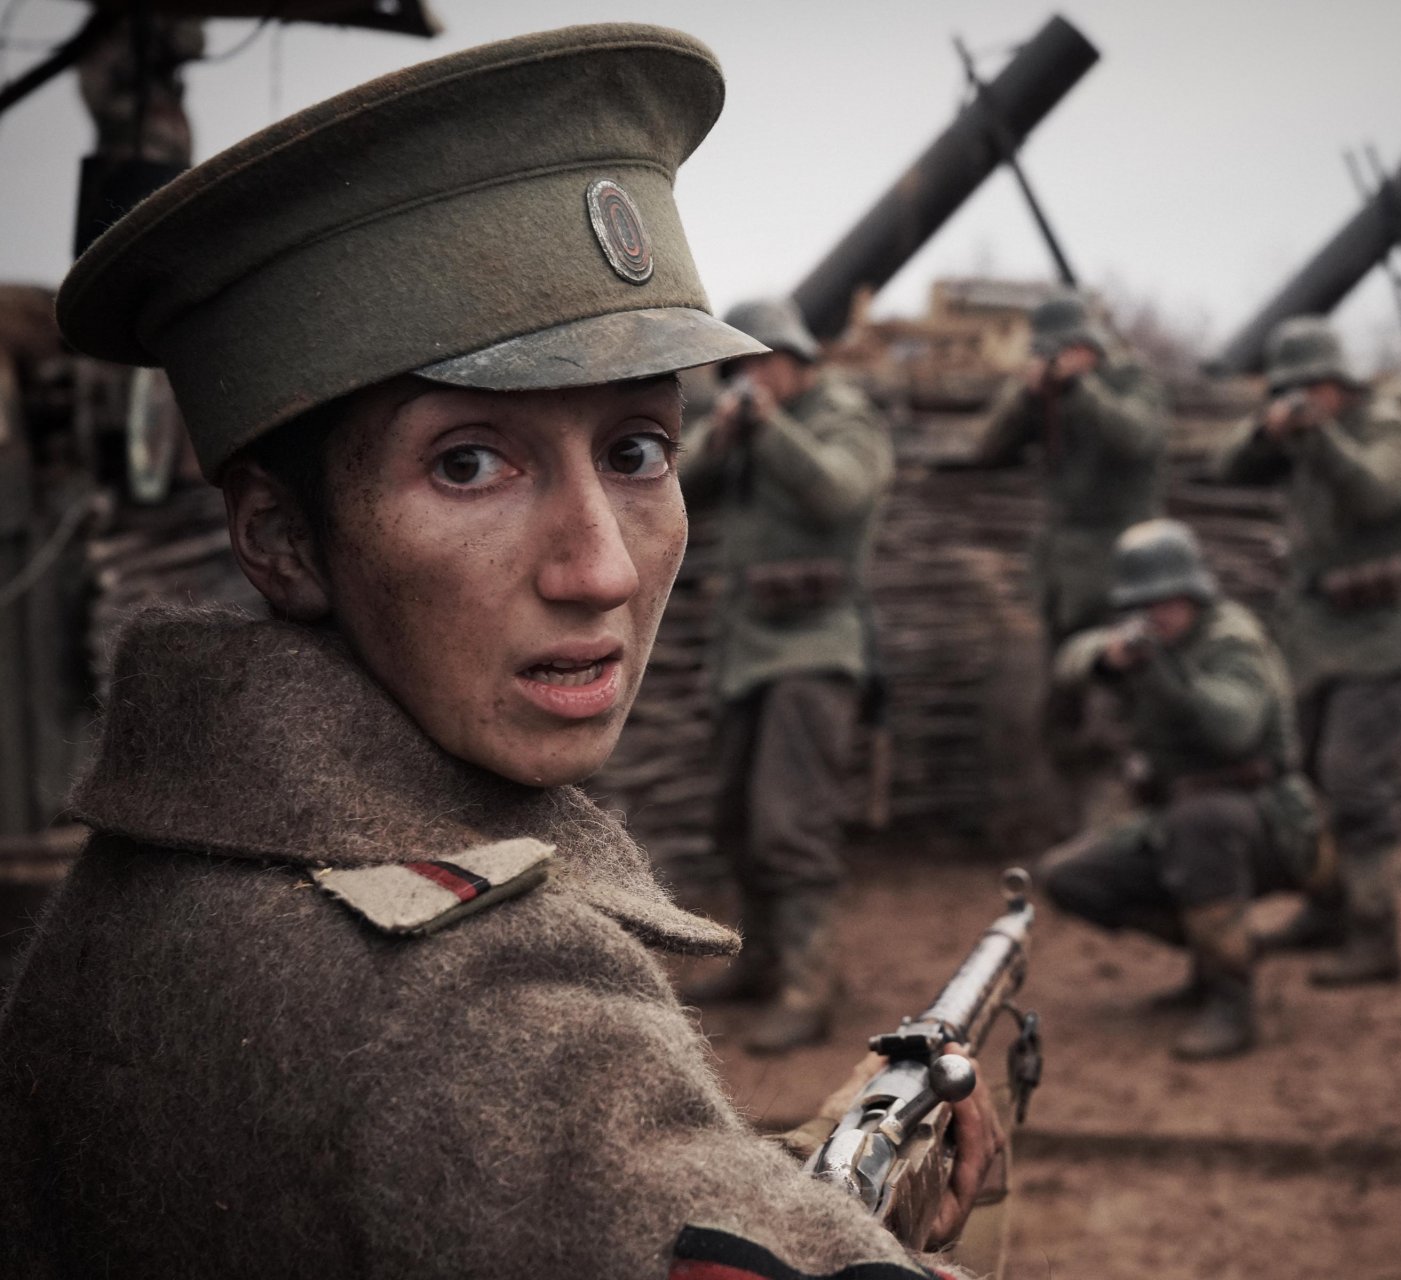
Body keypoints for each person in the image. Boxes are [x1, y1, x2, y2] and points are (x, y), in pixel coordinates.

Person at [0, 27, 1000, 1278]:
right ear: (280, 536)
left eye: (639, 450)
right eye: (470, 461)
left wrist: (789, 1198)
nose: (603, 568)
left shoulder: (131, 897)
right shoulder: (479, 996)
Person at [675, 297, 892, 1054]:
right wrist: (724, 433)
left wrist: (768, 428)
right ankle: (763, 961)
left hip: (815, 649)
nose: (753, 378)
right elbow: (674, 488)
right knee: (736, 818)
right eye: (741, 366)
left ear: (801, 361)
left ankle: (810, 984)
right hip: (744, 649)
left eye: (766, 362)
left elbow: (841, 492)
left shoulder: (842, 415)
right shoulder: (743, 426)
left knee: (791, 823)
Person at [1036, 520, 1319, 1060]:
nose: (1156, 614)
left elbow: (1232, 730)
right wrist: (1108, 656)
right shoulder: (1146, 639)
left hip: (1271, 821)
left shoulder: (1231, 637)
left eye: (1166, 601)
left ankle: (1231, 1001)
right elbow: (1072, 660)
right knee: (1071, 877)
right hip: (1180, 816)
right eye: (1143, 603)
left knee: (1202, 824)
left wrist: (1160, 670)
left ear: (1193, 592)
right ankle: (1213, 957)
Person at [1215, 316, 1401, 986]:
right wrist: (1266, 433)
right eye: (1291, 391)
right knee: (1303, 776)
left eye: (1313, 389)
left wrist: (1321, 439)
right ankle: (1326, 907)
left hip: (1378, 635)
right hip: (1311, 640)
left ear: (1339, 384)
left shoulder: (1386, 426)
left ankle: (1376, 930)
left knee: (1355, 779)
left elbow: (1378, 493)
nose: (1304, 401)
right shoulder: (1299, 437)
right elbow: (1227, 468)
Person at [961, 292, 1168, 647]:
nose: (1056, 360)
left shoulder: (1129, 378)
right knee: (1063, 677)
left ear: (1090, 344)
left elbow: (1136, 438)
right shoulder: (1045, 393)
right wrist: (1026, 398)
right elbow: (987, 450)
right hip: (1061, 567)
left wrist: (1081, 389)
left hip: (1123, 558)